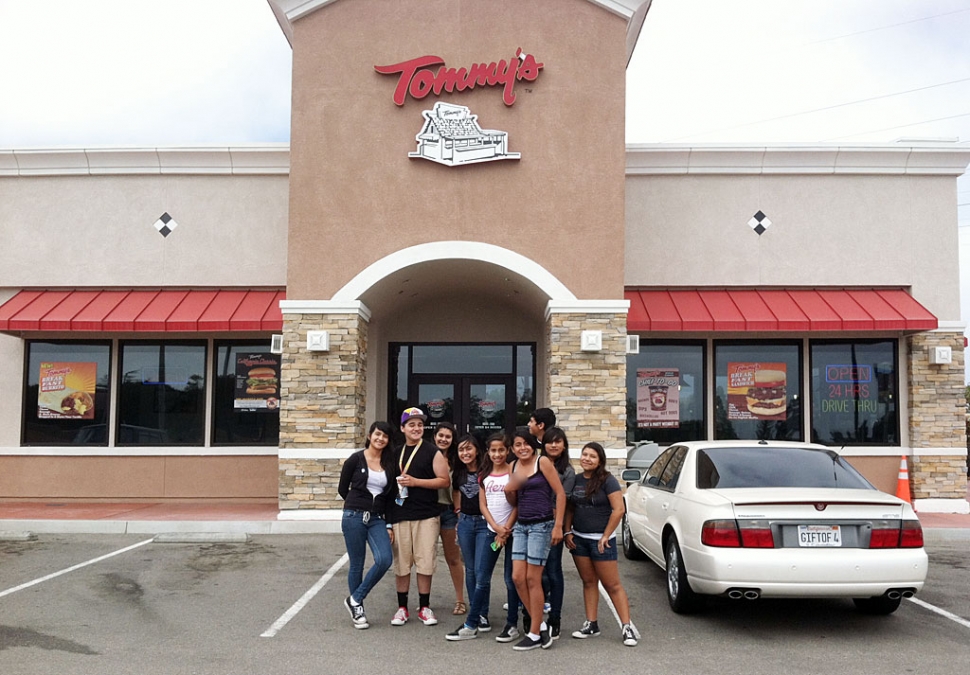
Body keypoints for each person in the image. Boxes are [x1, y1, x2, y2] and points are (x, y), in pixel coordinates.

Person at [564, 442, 640, 647]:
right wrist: (567, 531)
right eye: (584, 454)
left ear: (600, 460)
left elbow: (618, 510)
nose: (587, 458)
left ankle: (626, 627)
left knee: (612, 584)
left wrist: (606, 536)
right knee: (588, 582)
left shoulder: (608, 481)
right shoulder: (576, 480)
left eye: (592, 456)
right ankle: (591, 624)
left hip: (601, 541)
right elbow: (570, 507)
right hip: (579, 539)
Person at [386, 407, 451, 627]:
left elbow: (444, 481)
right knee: (402, 563)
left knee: (425, 561)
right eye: (411, 424)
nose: (416, 428)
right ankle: (402, 608)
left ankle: (424, 607)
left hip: (426, 514)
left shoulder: (432, 451)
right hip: (400, 514)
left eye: (420, 424)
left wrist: (416, 482)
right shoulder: (395, 453)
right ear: (403, 428)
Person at [505, 426, 565, 651]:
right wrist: (508, 490)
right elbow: (514, 502)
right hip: (521, 526)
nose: (522, 448)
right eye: (517, 445)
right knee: (517, 578)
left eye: (526, 443)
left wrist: (558, 526)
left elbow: (559, 494)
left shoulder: (543, 463)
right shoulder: (513, 466)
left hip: (542, 525)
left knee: (533, 578)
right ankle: (540, 627)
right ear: (513, 448)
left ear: (533, 444)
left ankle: (533, 633)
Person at [337, 420, 398, 630]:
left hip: (377, 519)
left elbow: (391, 498)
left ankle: (354, 598)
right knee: (357, 564)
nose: (380, 439)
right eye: (377, 434)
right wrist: (358, 504)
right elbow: (343, 489)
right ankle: (358, 610)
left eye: (385, 436)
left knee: (384, 559)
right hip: (354, 516)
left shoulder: (390, 465)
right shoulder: (355, 459)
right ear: (370, 435)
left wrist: (388, 524)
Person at [444, 435, 488, 639]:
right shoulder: (459, 472)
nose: (465, 453)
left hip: (485, 524)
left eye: (468, 449)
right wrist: (459, 511)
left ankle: (483, 613)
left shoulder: (486, 470)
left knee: (481, 570)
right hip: (466, 523)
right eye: (461, 450)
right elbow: (455, 492)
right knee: (469, 570)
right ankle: (475, 611)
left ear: (477, 450)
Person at [540, 427, 575, 639]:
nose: (554, 445)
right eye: (550, 442)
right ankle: (534, 614)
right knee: (537, 571)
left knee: (553, 570)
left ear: (564, 445)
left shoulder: (568, 472)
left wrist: (561, 527)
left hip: (554, 525)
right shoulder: (535, 464)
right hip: (532, 524)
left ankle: (555, 617)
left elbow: (566, 501)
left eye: (558, 442)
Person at [433, 421, 467, 616]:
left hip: (449, 513)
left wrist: (459, 512)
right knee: (425, 559)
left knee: (453, 559)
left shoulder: (457, 461)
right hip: (427, 511)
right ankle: (424, 602)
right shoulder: (426, 455)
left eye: (448, 436)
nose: (443, 439)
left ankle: (460, 601)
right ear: (434, 436)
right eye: (441, 435)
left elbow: (460, 488)